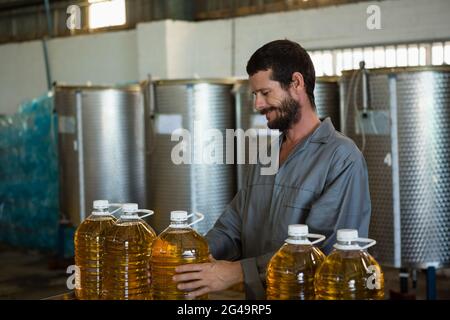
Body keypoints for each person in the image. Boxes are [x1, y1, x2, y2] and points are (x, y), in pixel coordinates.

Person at [173, 39, 371, 299]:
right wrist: (192, 257)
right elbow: (233, 226)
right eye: (255, 95)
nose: (258, 105)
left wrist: (238, 272)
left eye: (265, 93)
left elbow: (323, 252)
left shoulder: (341, 157)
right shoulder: (266, 155)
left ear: (296, 83)